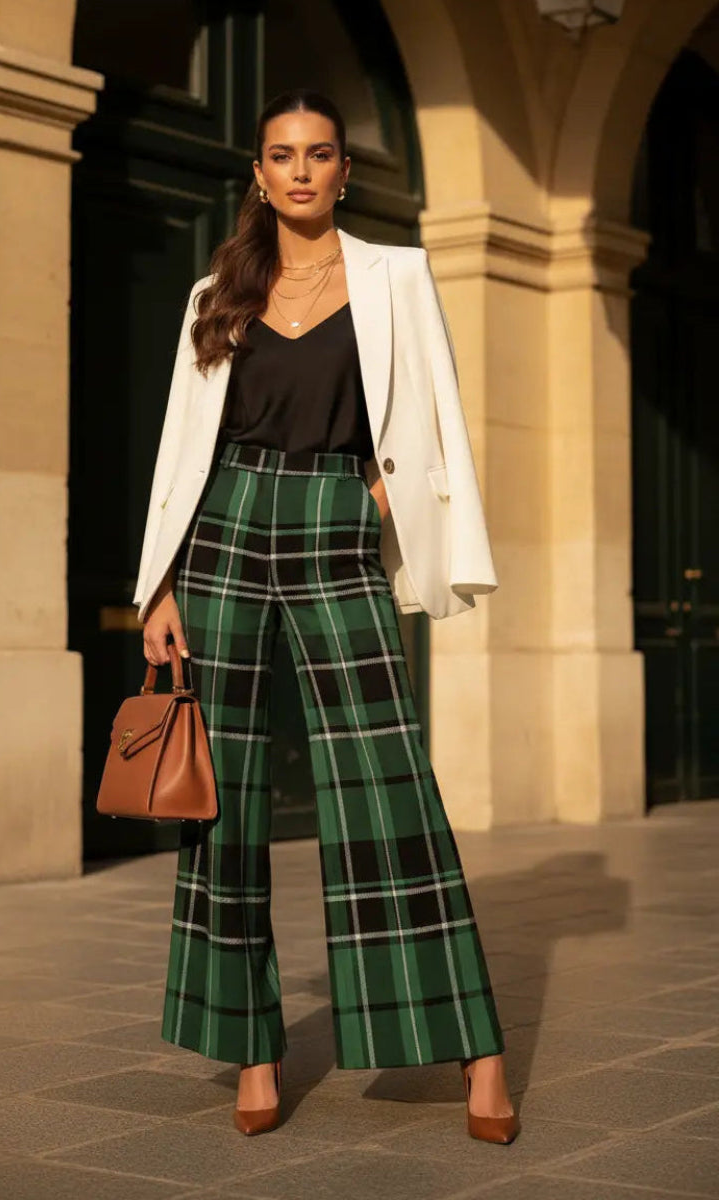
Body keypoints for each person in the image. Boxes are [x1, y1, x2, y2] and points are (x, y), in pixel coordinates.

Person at [134, 88, 518, 1145]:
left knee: (387, 790)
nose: (298, 171)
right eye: (278, 156)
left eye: (318, 155)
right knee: (229, 803)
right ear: (256, 175)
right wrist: (156, 585)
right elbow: (181, 444)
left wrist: (382, 496)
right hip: (222, 531)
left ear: (344, 172)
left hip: (334, 524)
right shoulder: (219, 290)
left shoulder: (396, 276)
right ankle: (253, 1049)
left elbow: (432, 411)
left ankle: (476, 1052)